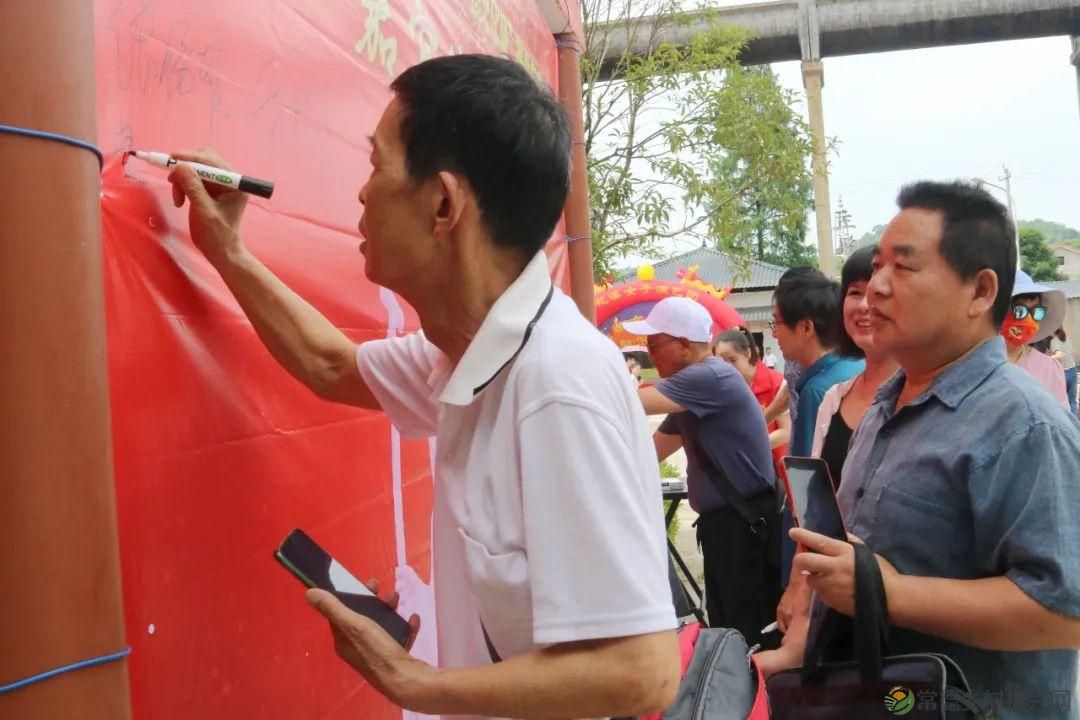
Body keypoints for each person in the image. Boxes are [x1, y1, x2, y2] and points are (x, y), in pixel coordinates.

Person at [166, 55, 679, 720]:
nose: (360, 194)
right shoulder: (465, 349)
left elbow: (642, 671)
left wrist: (409, 680)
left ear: (443, 204)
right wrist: (227, 251)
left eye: (376, 166)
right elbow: (331, 365)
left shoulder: (556, 383)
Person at [756, 181, 1080, 720]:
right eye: (875, 267)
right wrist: (798, 648)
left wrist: (892, 593)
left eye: (902, 268)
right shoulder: (884, 406)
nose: (875, 288)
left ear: (979, 293)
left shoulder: (1021, 424)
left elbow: (1064, 611)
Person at [628, 297, 780, 650]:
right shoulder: (692, 390)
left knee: (747, 631)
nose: (651, 356)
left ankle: (759, 702)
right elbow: (651, 451)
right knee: (729, 625)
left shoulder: (710, 376)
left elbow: (627, 400)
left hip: (744, 527)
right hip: (727, 527)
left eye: (655, 345)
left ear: (683, 346)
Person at [811, 245, 899, 485]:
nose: (863, 306)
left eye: (878, 293)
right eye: (855, 293)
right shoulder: (833, 400)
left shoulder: (925, 397)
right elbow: (819, 497)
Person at [770, 270, 864, 458]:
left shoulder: (816, 391)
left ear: (806, 328)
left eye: (776, 323)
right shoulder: (857, 364)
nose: (774, 334)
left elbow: (808, 473)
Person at [712, 327, 791, 470]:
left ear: (748, 353)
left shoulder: (777, 383)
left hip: (775, 466)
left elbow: (786, 431)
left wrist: (749, 446)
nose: (727, 367)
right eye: (721, 362)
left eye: (733, 359)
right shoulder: (719, 387)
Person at [1001, 270, 1069, 408]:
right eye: (1020, 311)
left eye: (1036, 312)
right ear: (999, 312)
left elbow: (1061, 422)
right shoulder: (976, 365)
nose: (1028, 320)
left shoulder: (1049, 368)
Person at [1051, 327, 1077, 415]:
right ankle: (1075, 425)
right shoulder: (1067, 339)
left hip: (1063, 374)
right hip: (1073, 371)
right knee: (1072, 400)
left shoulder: (1054, 341)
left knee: (1061, 401)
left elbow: (1059, 355)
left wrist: (1046, 358)